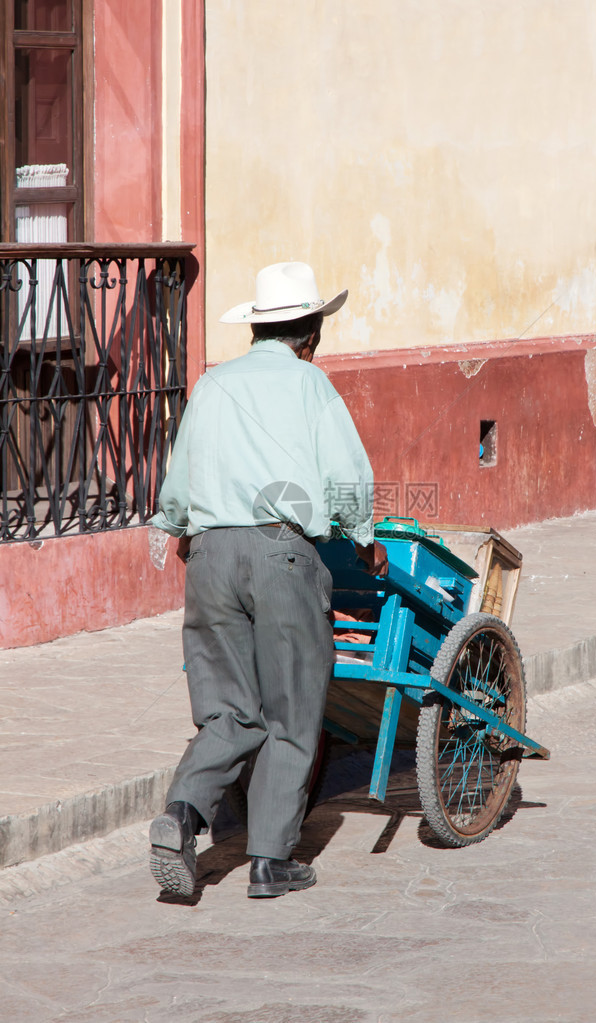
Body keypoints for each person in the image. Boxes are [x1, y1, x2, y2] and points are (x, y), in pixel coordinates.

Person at [149, 261, 388, 899]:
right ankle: (269, 862)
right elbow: (345, 475)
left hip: (210, 555)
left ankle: (180, 815)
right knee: (289, 712)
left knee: (227, 712)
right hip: (282, 554)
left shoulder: (214, 384)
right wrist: (365, 541)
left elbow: (179, 479)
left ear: (258, 329)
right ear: (309, 333)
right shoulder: (311, 386)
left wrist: (178, 532)